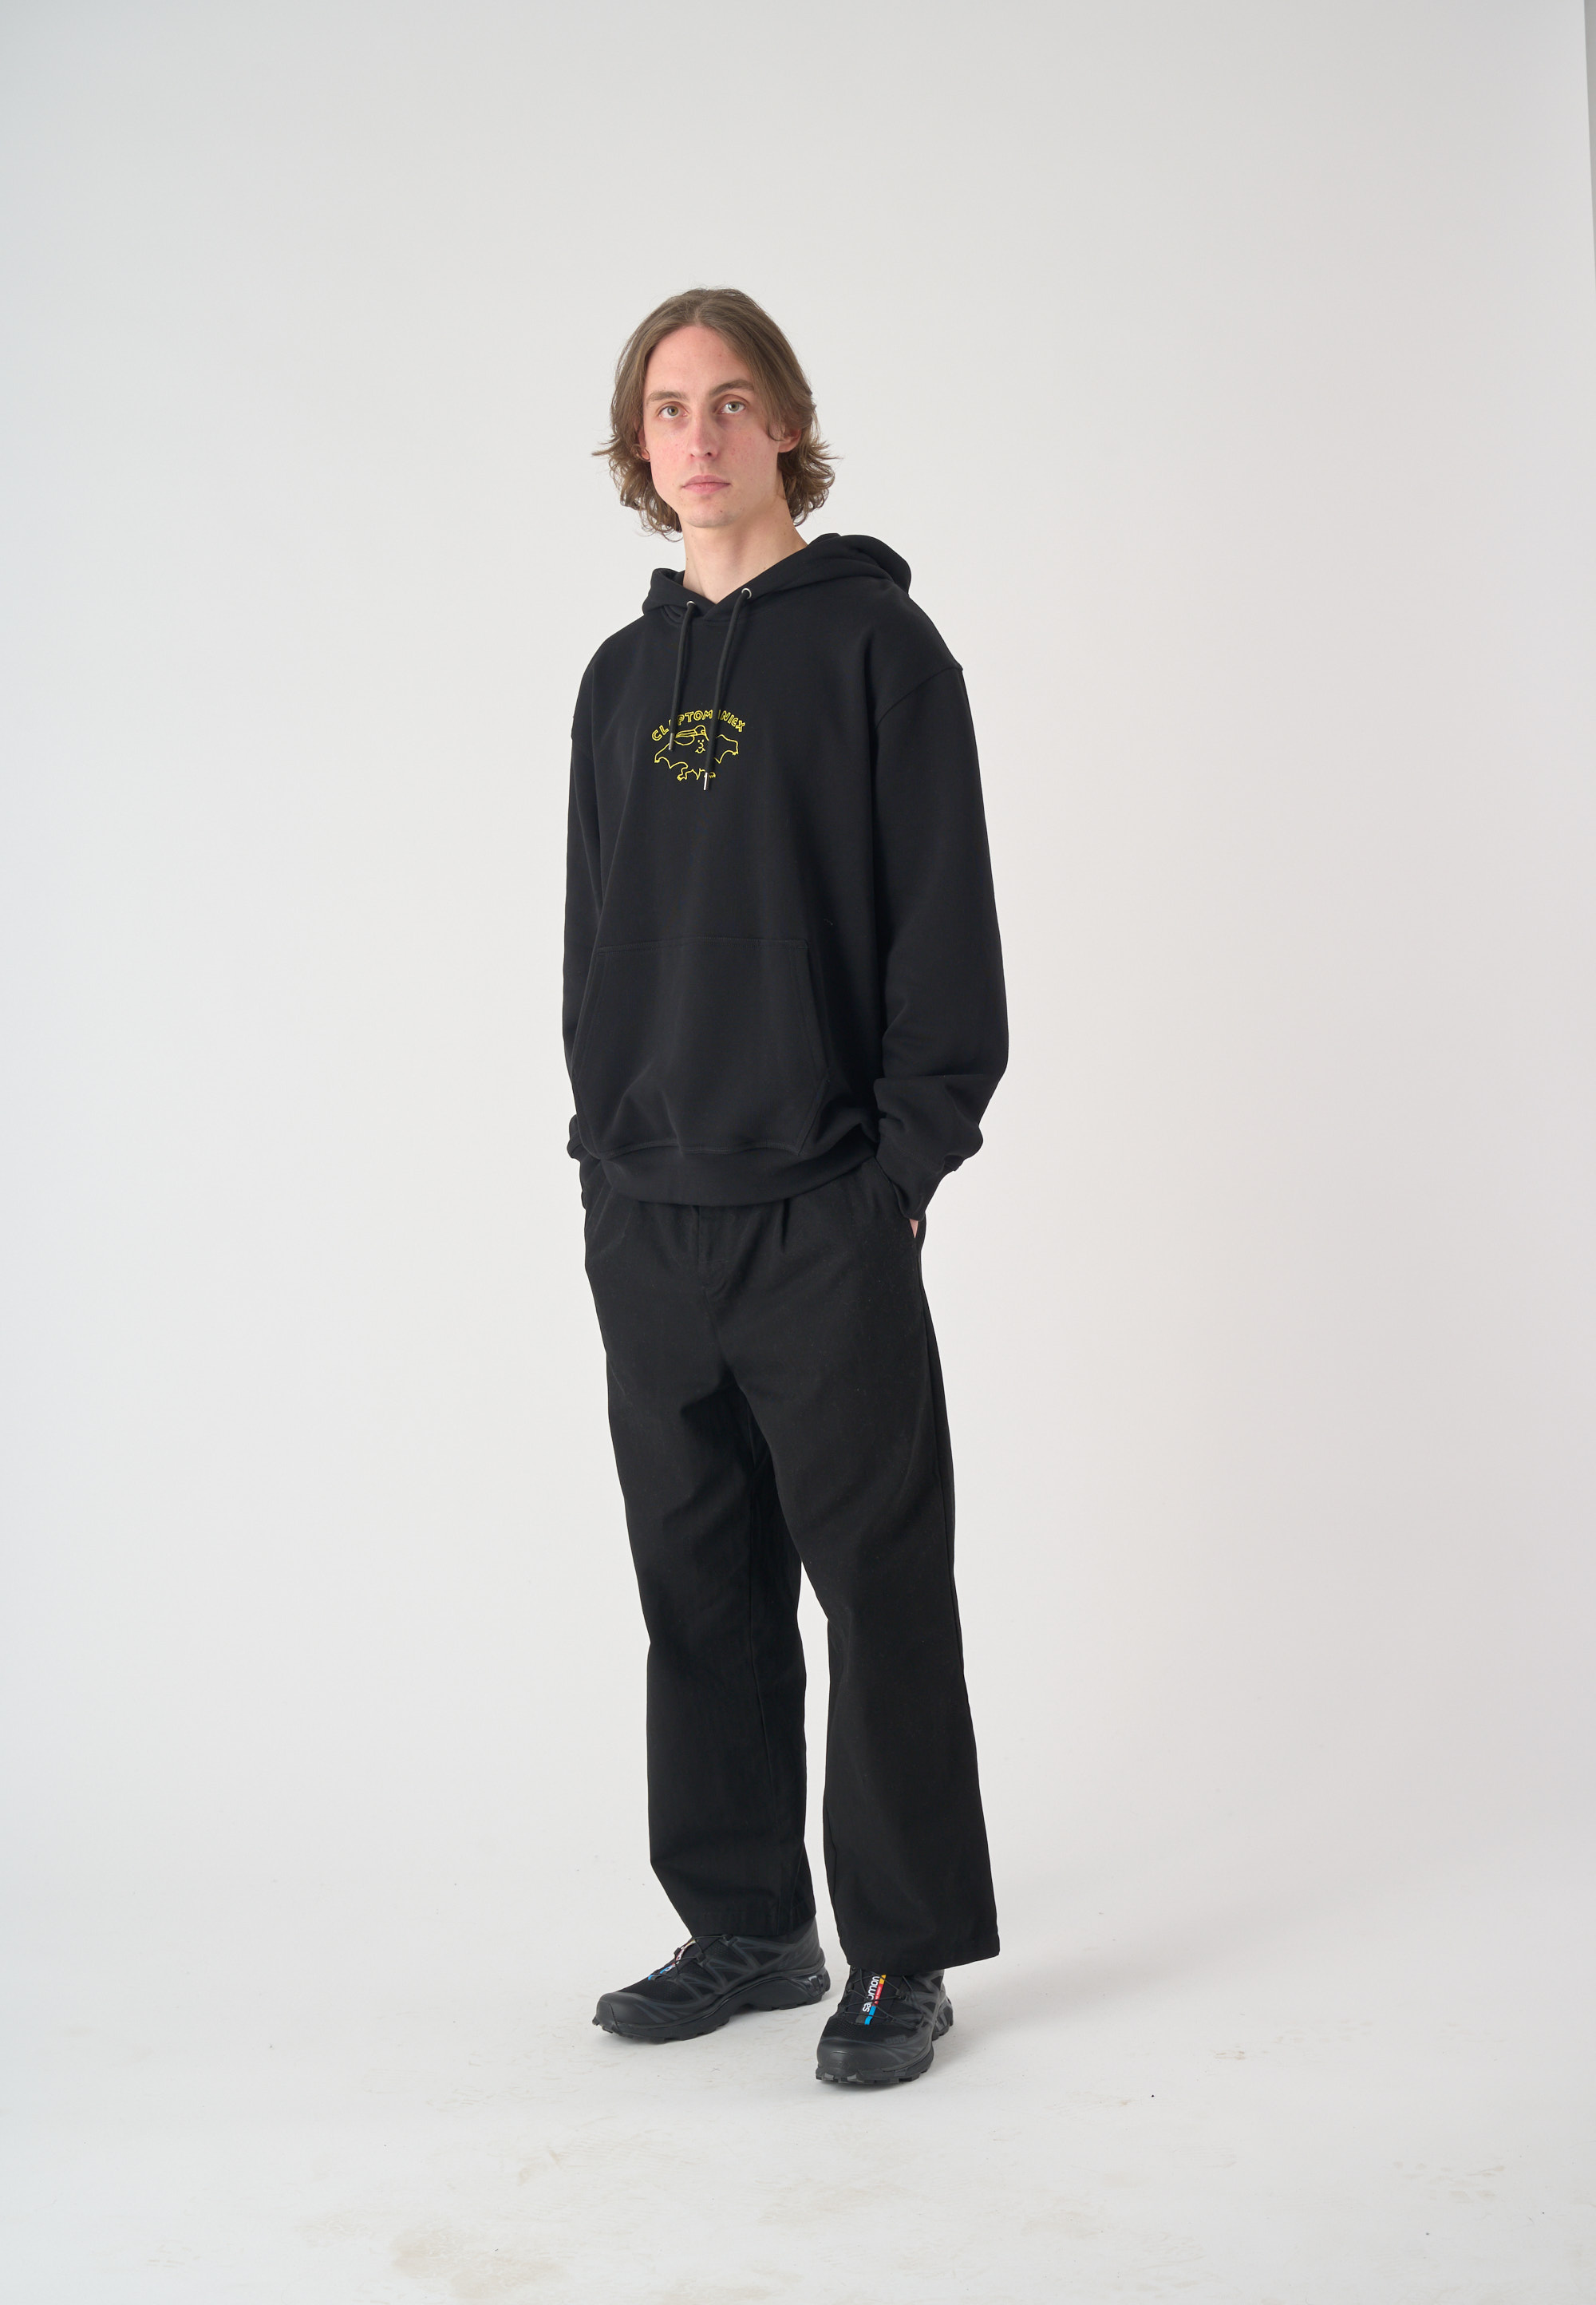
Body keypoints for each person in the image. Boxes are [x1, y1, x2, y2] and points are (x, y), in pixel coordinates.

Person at [563, 287, 1008, 2087]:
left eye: (734, 400)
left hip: (824, 1205)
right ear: (637, 442)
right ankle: (746, 1922)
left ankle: (902, 1952)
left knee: (877, 1587)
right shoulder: (617, 682)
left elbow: (947, 936)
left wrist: (898, 1169)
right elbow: (596, 939)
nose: (702, 434)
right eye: (671, 405)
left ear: (789, 428)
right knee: (698, 1587)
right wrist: (602, 1155)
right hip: (647, 1204)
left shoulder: (881, 651)